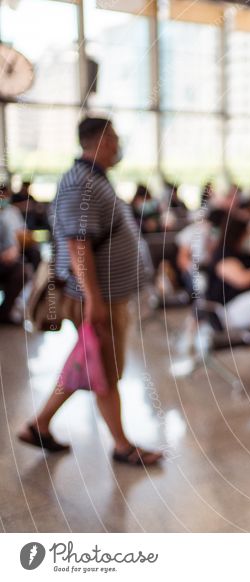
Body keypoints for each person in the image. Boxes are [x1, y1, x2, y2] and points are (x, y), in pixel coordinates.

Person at [16, 117, 163, 466]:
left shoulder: (93, 179)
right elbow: (77, 245)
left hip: (106, 295)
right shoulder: (80, 183)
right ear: (99, 140)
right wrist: (94, 299)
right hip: (98, 298)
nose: (118, 144)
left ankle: (39, 424)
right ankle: (122, 445)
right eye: (113, 137)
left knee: (89, 360)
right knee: (105, 367)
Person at [0, 186, 24, 324]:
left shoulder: (12, 212)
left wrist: (14, 250)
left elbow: (20, 234)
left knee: (21, 272)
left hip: (7, 257)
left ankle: (4, 312)